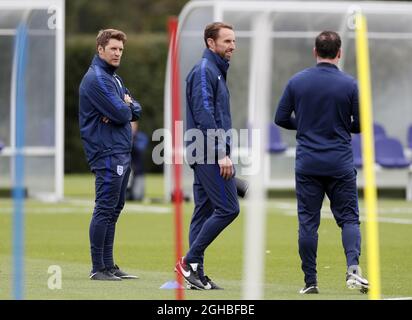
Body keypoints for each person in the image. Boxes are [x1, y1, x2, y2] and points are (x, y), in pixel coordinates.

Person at [275, 31, 369, 294]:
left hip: (308, 164)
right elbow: (360, 125)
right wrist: (339, 127)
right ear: (339, 53)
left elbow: (280, 118)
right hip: (339, 162)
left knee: (308, 223)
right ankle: (353, 269)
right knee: (349, 219)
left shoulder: (297, 82)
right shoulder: (350, 84)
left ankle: (310, 282)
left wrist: (305, 125)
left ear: (315, 52)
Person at [174, 22, 239, 290]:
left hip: (206, 151)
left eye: (233, 41)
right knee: (229, 208)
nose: (232, 46)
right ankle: (188, 262)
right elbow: (204, 115)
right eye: (226, 41)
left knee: (203, 212)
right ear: (210, 43)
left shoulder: (215, 71)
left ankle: (195, 274)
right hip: (208, 152)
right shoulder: (204, 70)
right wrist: (220, 153)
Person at [79, 29, 142, 281]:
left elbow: (135, 109)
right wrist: (124, 107)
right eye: (113, 49)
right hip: (106, 152)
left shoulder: (113, 79)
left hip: (119, 151)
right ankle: (98, 268)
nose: (117, 53)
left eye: (120, 50)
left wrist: (125, 106)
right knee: (105, 208)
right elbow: (125, 113)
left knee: (114, 208)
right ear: (100, 49)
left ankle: (108, 265)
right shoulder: (97, 79)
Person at [127, 121, 148, 201]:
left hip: (138, 172)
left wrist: (130, 140)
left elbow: (140, 149)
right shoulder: (122, 138)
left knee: (137, 196)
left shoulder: (141, 137)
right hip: (125, 171)